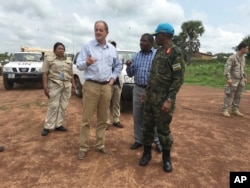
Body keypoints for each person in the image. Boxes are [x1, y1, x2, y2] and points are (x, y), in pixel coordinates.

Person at [138, 23, 185, 173]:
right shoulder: (158, 51)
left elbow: (178, 79)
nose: (154, 38)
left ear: (163, 35)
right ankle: (147, 154)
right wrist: (146, 92)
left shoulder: (175, 53)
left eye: (156, 35)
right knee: (147, 128)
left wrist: (169, 100)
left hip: (164, 101)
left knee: (163, 130)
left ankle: (166, 158)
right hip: (151, 98)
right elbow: (153, 75)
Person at [76, 20, 122, 160]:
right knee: (86, 119)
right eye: (96, 29)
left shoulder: (112, 49)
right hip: (91, 86)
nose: (98, 32)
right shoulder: (87, 46)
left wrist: (113, 78)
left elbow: (118, 65)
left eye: (101, 30)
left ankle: (100, 145)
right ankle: (83, 147)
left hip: (106, 87)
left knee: (103, 118)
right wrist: (87, 63)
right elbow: (78, 65)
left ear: (107, 32)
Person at [126, 33, 162, 153]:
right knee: (138, 116)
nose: (141, 43)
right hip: (138, 89)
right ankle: (139, 140)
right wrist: (128, 66)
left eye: (145, 41)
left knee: (154, 117)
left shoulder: (157, 55)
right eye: (141, 40)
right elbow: (130, 74)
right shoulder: (136, 56)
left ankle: (157, 141)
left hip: (152, 91)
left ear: (151, 43)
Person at [41, 42, 75, 136]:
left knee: (63, 105)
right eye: (59, 48)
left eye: (63, 49)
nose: (61, 50)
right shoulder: (49, 59)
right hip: (55, 84)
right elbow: (45, 74)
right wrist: (45, 87)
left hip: (66, 85)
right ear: (55, 50)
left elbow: (71, 74)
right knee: (53, 105)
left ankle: (58, 124)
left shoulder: (68, 60)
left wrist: (74, 85)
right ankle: (47, 126)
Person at [222, 41, 248, 117]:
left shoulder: (243, 58)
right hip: (233, 79)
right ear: (242, 48)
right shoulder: (232, 57)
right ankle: (225, 110)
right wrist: (228, 78)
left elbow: (243, 69)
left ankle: (235, 110)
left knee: (238, 95)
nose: (247, 50)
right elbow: (227, 68)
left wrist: (244, 77)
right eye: (246, 48)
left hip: (241, 80)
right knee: (229, 95)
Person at [106, 40, 124, 129]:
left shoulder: (119, 57)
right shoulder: (105, 57)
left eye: (114, 46)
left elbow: (120, 68)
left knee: (116, 103)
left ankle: (116, 120)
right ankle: (106, 122)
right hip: (108, 84)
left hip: (117, 84)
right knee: (107, 103)